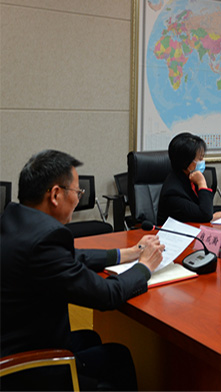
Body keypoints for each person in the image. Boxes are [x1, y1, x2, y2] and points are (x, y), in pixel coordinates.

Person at [1, 150, 164, 390]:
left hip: (19, 338)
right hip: (22, 369)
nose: (78, 200)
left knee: (90, 338)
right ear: (55, 194)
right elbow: (107, 295)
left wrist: (127, 253)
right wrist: (144, 267)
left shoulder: (14, 219)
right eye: (77, 192)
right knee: (119, 358)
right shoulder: (45, 240)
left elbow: (72, 257)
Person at [157, 132, 221, 225]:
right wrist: (202, 183)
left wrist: (210, 216)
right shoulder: (173, 192)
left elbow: (202, 211)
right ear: (185, 161)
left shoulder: (189, 178)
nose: (202, 162)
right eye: (200, 159)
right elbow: (205, 214)